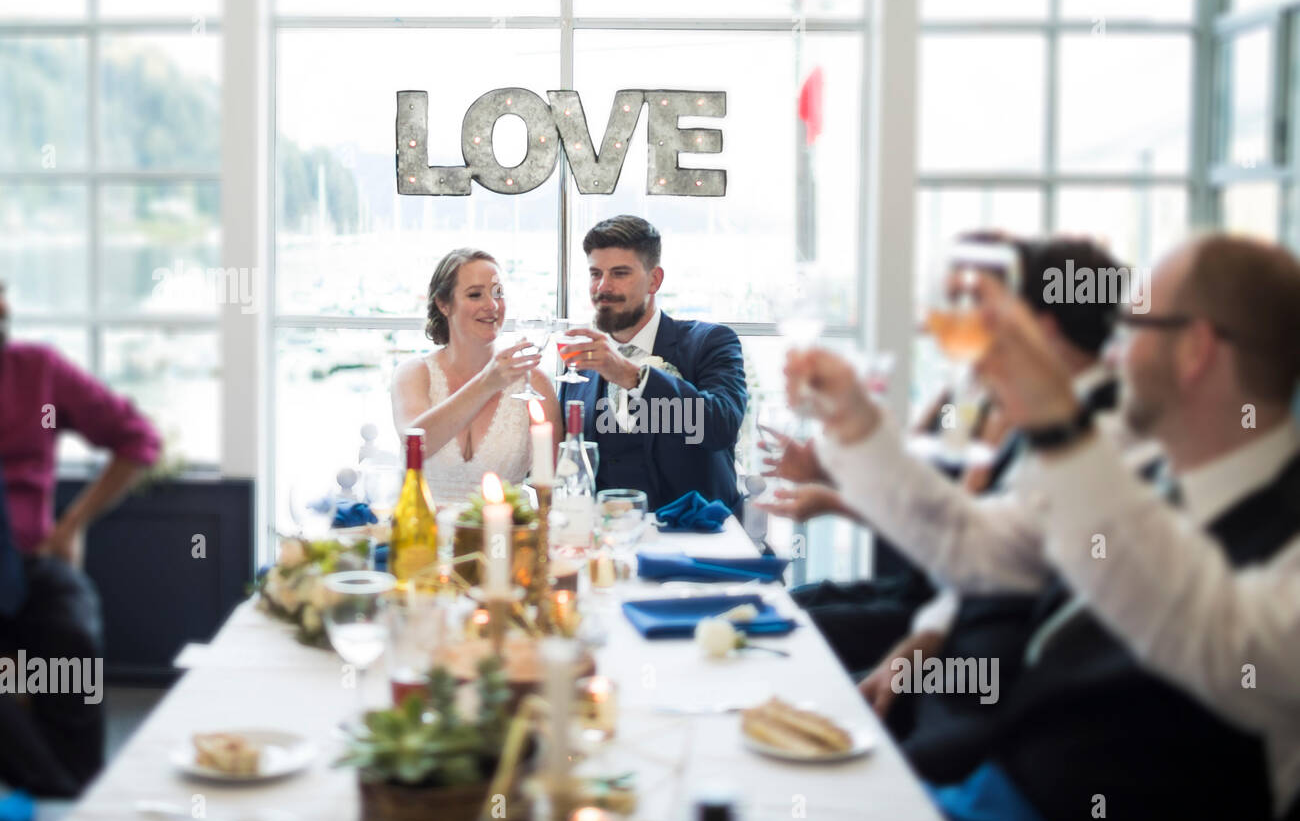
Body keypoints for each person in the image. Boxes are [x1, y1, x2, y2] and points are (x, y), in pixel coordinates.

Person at [785, 234, 1300, 821]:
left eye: (1132, 323)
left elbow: (1209, 629)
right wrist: (855, 425)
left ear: (1195, 350)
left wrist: (1059, 424)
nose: (1113, 349)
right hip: (993, 796)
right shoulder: (1140, 478)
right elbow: (967, 542)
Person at [761, 237, 1131, 680]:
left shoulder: (1084, 431)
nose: (956, 320)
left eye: (982, 303)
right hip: (938, 597)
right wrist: (839, 452)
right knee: (791, 609)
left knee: (792, 633)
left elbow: (966, 534)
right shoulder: (988, 402)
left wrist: (925, 638)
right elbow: (955, 519)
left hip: (982, 655)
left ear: (1041, 328)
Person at [0, 279, 161, 796]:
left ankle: (82, 787)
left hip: (28, 560)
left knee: (71, 630)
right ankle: (58, 792)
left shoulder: (36, 369)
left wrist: (72, 526)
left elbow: (138, 439)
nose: (5, 304)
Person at [557, 216, 748, 514]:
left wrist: (632, 376)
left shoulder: (710, 342)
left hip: (695, 538)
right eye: (596, 274)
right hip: (605, 540)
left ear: (654, 280)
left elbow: (721, 425)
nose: (603, 287)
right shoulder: (581, 365)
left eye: (620, 273)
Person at [391, 248, 562, 503]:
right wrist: (487, 384)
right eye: (475, 295)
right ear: (443, 304)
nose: (492, 306)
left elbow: (551, 487)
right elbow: (414, 443)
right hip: (426, 533)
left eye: (498, 293)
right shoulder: (415, 374)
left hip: (507, 534)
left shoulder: (533, 382)